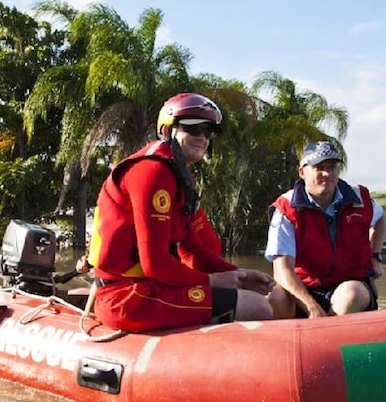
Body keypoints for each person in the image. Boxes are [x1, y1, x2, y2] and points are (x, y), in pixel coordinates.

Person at [87, 92, 276, 332]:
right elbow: (154, 264)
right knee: (258, 307)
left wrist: (239, 274)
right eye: (194, 129)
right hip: (127, 296)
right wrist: (213, 281)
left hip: (154, 288)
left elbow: (192, 250)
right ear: (168, 130)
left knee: (256, 295)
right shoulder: (152, 172)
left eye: (208, 132)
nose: (203, 138)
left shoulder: (179, 175)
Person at [265, 141, 386, 319]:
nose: (327, 174)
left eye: (332, 167)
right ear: (302, 172)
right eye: (319, 167)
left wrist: (376, 255)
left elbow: (381, 218)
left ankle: (329, 336)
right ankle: (296, 338)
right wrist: (311, 307)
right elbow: (282, 272)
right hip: (301, 288)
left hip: (346, 284)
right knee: (272, 296)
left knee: (353, 294)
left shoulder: (360, 198)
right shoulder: (286, 208)